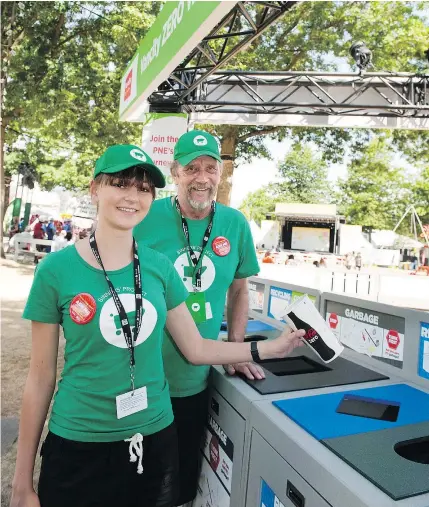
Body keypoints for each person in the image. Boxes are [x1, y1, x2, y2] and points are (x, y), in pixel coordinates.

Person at [11, 144, 304, 507]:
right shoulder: (55, 271)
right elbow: (40, 380)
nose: (132, 196)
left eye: (144, 188)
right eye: (120, 183)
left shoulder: (158, 267)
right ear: (94, 189)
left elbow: (196, 348)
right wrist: (21, 483)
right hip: (78, 442)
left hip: (154, 438)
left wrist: (268, 347)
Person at [133, 130, 266, 507]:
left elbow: (239, 290)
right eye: (192, 168)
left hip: (193, 379)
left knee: (179, 485)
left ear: (221, 175)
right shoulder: (145, 215)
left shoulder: (235, 224)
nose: (202, 177)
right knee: (133, 478)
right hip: (140, 376)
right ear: (175, 172)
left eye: (211, 168)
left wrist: (238, 348)